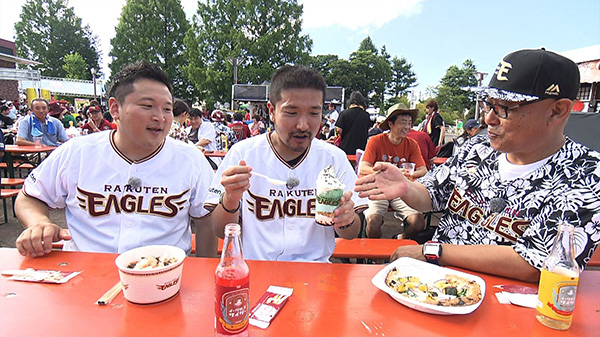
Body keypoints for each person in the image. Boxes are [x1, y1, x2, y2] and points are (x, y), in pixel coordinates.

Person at [355, 48, 600, 282]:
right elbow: (431, 194)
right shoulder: (477, 150)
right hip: (435, 289)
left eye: (504, 108)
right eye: (487, 104)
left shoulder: (585, 174)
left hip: (509, 309)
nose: (488, 118)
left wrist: (434, 251)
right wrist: (406, 188)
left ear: (557, 111)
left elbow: (538, 263)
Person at [14, 60, 216, 258]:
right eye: (148, 106)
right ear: (115, 109)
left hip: (163, 277)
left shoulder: (191, 160)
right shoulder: (78, 152)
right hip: (86, 274)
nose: (160, 117)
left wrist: (205, 278)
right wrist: (39, 222)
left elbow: (206, 220)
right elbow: (30, 196)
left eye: (167, 109)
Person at [205, 64, 367, 262]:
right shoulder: (243, 154)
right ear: (272, 111)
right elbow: (220, 230)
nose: (303, 125)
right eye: (291, 112)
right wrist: (230, 199)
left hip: (315, 270)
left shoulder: (333, 158)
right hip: (257, 267)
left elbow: (351, 233)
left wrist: (346, 219)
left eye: (314, 113)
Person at [359, 103, 427, 240]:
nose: (407, 127)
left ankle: (400, 238)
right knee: (373, 222)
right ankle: (373, 255)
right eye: (403, 123)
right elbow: (363, 167)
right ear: (390, 124)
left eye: (409, 123)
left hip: (401, 188)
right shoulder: (376, 141)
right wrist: (385, 173)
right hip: (378, 188)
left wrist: (410, 174)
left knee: (418, 223)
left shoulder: (411, 144)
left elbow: (423, 170)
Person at [335, 91, 372, 155]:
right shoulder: (366, 115)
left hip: (346, 146)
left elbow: (338, 129)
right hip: (361, 148)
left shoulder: (344, 113)